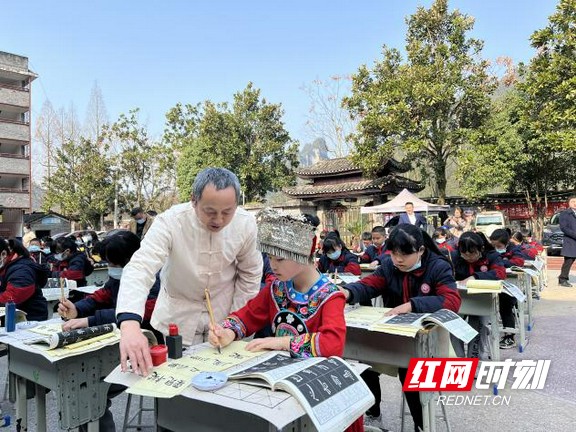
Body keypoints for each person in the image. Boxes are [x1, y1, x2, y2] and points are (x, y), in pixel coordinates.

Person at [209, 208, 364, 432]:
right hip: (281, 382)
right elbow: (248, 316)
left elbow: (333, 343)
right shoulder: (277, 288)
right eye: (270, 257)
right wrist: (228, 332)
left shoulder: (330, 295)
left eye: (280, 258)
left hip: (318, 387)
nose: (273, 265)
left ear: (303, 253)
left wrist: (280, 342)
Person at [116, 167, 262, 376]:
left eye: (227, 212)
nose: (219, 220)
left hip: (224, 314)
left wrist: (235, 324)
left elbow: (250, 275)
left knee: (225, 386)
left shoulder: (245, 224)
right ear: (194, 200)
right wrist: (129, 325)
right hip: (177, 317)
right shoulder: (171, 221)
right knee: (177, 385)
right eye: (210, 211)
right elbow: (141, 267)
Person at [340, 224, 460, 432]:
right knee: (362, 363)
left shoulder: (438, 266)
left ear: (421, 251)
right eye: (394, 254)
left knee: (411, 372)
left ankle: (421, 425)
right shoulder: (389, 266)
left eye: (404, 254)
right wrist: (347, 293)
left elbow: (451, 300)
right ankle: (373, 412)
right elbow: (370, 284)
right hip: (393, 334)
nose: (398, 260)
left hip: (425, 339)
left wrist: (413, 305)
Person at [57, 231, 160, 432]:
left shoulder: (153, 280)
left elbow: (144, 312)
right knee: (81, 387)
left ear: (132, 258)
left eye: (113, 264)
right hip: (116, 346)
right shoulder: (116, 279)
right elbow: (102, 295)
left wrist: (90, 320)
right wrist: (77, 308)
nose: (111, 269)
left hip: (147, 350)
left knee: (87, 389)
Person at [449, 232, 506, 359]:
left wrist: (476, 277)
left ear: (481, 249)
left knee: (479, 327)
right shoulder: (454, 256)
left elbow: (500, 273)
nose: (468, 257)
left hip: (482, 301)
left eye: (472, 253)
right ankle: (459, 360)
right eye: (464, 254)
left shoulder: (491, 256)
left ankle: (474, 360)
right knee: (453, 325)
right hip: (460, 299)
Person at [489, 229, 525, 349]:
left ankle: (509, 336)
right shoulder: (490, 250)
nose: (495, 248)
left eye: (498, 246)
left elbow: (519, 261)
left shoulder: (514, 249)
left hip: (509, 283)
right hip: (493, 282)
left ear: (506, 243)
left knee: (505, 305)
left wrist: (502, 262)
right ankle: (487, 332)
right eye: (493, 245)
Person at [0, 238, 48, 321]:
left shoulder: (22, 270)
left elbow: (12, 298)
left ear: (3, 254)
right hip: (12, 317)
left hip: (30, 319)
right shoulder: (5, 266)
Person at [558, 196, 576, 287]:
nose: (575, 203)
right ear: (568, 203)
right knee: (569, 261)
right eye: (573, 201)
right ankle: (562, 279)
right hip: (570, 241)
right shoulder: (565, 213)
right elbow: (564, 228)